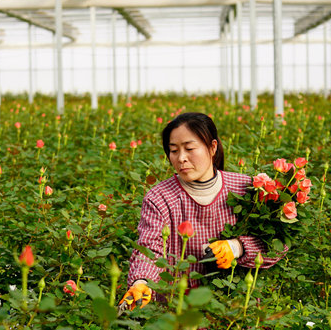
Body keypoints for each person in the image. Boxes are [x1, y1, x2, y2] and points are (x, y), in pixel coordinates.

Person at [120, 112, 285, 310]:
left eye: (190, 148)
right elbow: (149, 249)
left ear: (212, 147)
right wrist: (141, 282)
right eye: (173, 150)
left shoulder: (246, 189)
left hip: (235, 311)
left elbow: (277, 244)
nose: (181, 158)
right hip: (178, 310)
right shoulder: (160, 198)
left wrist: (237, 247)